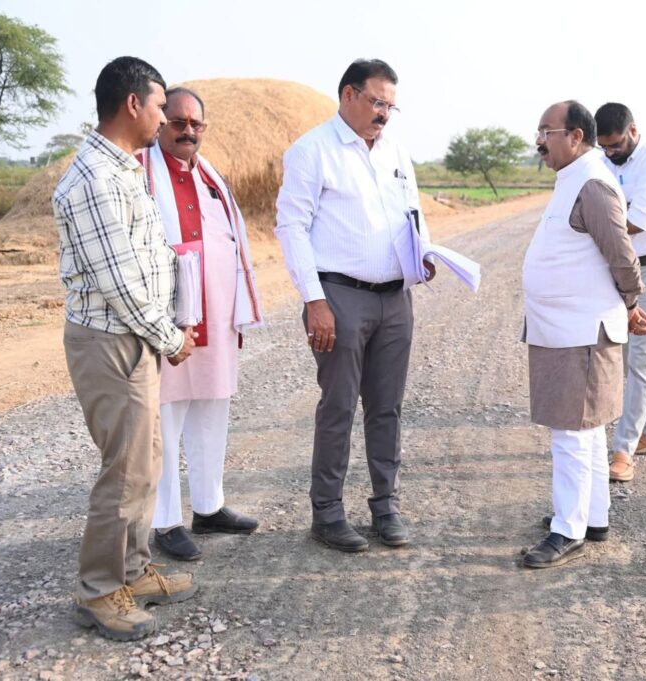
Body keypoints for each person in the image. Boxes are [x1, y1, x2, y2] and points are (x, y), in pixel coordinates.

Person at [54, 56, 198, 641]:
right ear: (133, 103)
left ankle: (133, 573)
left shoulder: (122, 169)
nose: (166, 119)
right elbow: (120, 282)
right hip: (111, 339)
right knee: (125, 470)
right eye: (161, 107)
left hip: (130, 336)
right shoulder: (95, 178)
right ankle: (98, 591)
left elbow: (142, 259)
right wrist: (170, 337)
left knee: (146, 461)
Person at [275, 59, 434, 553]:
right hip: (339, 298)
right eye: (376, 101)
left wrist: (423, 254)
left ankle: (386, 507)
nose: (384, 113)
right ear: (348, 95)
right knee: (339, 407)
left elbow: (412, 213)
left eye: (390, 105)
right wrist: (314, 300)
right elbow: (292, 227)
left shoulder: (395, 153)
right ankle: (327, 513)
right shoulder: (312, 151)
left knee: (387, 409)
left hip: (394, 299)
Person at [522, 101, 646, 569]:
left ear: (575, 136)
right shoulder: (573, 178)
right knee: (587, 428)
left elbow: (622, 253)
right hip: (563, 329)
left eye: (547, 131)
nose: (539, 141)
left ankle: (567, 528)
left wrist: (631, 303)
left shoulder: (592, 183)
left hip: (580, 330)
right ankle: (593, 517)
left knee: (572, 432)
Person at [140, 87, 264, 561]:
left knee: (212, 411)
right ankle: (165, 520)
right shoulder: (140, 173)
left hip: (216, 315)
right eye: (178, 122)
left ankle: (209, 507)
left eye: (196, 124)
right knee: (165, 419)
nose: (188, 130)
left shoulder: (211, 177)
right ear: (160, 123)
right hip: (167, 320)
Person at [594, 103, 646, 483]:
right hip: (619, 267)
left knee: (641, 359)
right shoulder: (603, 161)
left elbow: (637, 221)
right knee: (630, 357)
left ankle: (623, 450)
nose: (610, 152)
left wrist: (599, 226)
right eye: (604, 147)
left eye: (615, 144)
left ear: (632, 130)